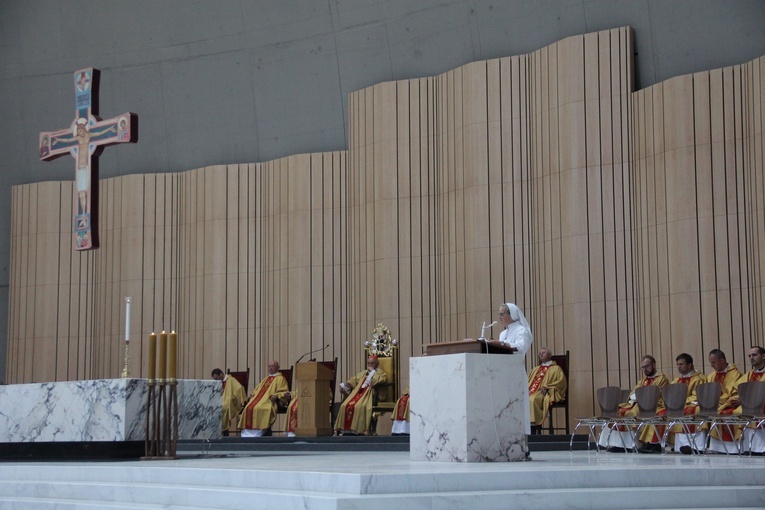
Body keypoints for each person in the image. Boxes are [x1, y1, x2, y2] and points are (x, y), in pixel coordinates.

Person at [598, 355, 669, 452]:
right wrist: (636, 397)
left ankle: (631, 445)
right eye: (643, 367)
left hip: (652, 405)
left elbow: (656, 394)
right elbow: (634, 393)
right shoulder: (643, 380)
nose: (645, 369)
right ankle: (619, 444)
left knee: (631, 413)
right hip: (638, 403)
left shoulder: (662, 379)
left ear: (654, 365)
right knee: (617, 411)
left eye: (647, 366)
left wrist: (641, 397)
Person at [491, 302, 533, 435]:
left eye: (502, 314)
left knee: (516, 407)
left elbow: (521, 347)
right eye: (499, 314)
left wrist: (502, 344)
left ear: (512, 314)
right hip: (502, 374)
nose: (499, 317)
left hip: (515, 373)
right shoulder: (503, 334)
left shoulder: (521, 330)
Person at [660, 353, 706, 453]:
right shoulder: (677, 380)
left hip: (691, 404)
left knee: (692, 411)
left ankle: (697, 447)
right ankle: (678, 445)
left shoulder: (698, 379)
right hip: (678, 406)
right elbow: (668, 394)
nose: (678, 367)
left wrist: (681, 402)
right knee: (662, 411)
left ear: (689, 365)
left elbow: (697, 395)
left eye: (681, 364)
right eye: (677, 364)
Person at [334, 356, 387, 435]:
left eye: (372, 363)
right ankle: (345, 429)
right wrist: (345, 384)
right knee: (344, 405)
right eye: (368, 363)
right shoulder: (363, 373)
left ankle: (359, 430)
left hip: (369, 395)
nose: (370, 365)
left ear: (377, 364)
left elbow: (380, 381)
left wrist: (373, 372)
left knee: (359, 406)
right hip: (358, 394)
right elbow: (353, 380)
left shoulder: (380, 373)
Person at [704, 349, 743, 454]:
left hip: (729, 404)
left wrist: (715, 401)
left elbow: (732, 393)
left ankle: (732, 449)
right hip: (715, 404)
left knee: (725, 412)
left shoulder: (735, 374)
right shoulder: (712, 375)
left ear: (722, 361)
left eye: (713, 362)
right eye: (710, 362)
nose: (711, 365)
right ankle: (715, 447)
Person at [238, 360, 289, 437]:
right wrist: (251, 395)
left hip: (268, 401)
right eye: (269, 366)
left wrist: (276, 395)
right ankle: (248, 431)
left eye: (273, 366)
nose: (271, 368)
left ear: (278, 368)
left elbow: (284, 391)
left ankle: (261, 430)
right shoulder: (265, 379)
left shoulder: (281, 379)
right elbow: (257, 390)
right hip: (258, 400)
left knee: (261, 408)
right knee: (248, 407)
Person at [527, 347, 567, 433]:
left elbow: (561, 382)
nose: (540, 354)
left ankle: (534, 426)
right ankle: (525, 426)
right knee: (522, 399)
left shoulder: (556, 368)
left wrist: (547, 387)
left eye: (543, 353)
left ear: (549, 355)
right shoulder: (535, 369)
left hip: (545, 392)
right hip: (532, 391)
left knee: (532, 399)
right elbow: (528, 381)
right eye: (540, 353)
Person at [734, 346, 765, 454]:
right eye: (749, 356)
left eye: (754, 355)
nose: (751, 358)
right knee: (738, 411)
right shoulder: (749, 375)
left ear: (763, 356)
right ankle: (749, 448)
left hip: (762, 404)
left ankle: (761, 448)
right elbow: (738, 390)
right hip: (749, 404)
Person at [211, 368, 247, 435]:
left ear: (221, 374)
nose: (215, 380)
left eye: (216, 378)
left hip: (230, 402)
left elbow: (239, 388)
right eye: (214, 379)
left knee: (223, 408)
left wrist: (232, 397)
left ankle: (224, 431)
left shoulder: (231, 380)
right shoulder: (218, 382)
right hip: (221, 400)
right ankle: (215, 431)